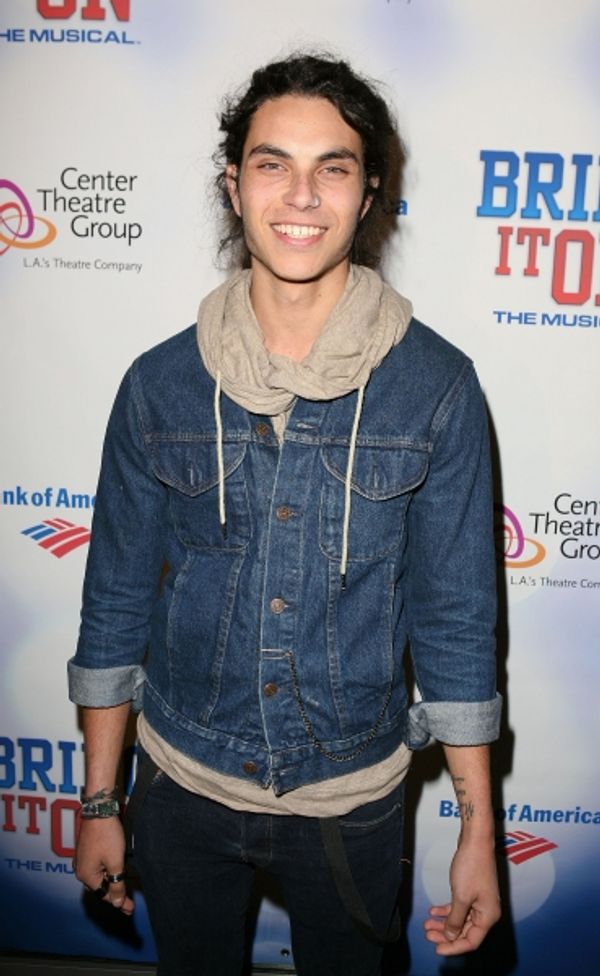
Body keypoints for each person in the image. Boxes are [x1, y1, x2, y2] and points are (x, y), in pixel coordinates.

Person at [69, 52, 501, 976]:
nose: (300, 195)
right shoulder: (159, 384)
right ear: (234, 185)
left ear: (369, 189)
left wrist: (476, 833)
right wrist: (101, 802)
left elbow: (458, 623)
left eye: (332, 167)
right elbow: (113, 605)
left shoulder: (437, 389)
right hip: (182, 786)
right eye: (272, 163)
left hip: (354, 798)